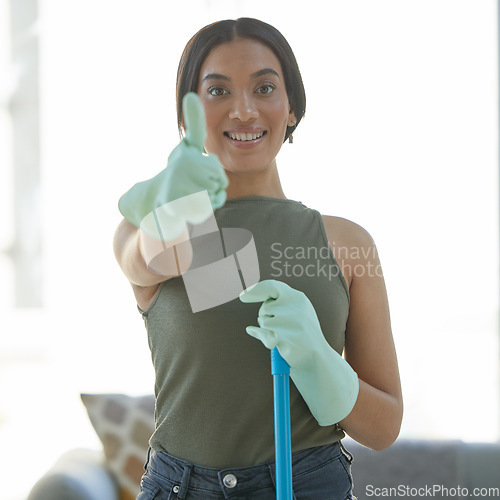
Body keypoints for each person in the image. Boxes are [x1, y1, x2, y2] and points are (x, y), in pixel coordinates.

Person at [113, 17, 403, 500]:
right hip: (182, 488)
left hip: (311, 484)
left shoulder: (348, 244)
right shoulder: (146, 230)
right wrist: (175, 195)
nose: (243, 111)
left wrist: (320, 363)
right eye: (218, 92)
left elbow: (384, 427)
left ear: (292, 109)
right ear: (187, 115)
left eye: (265, 87)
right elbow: (151, 257)